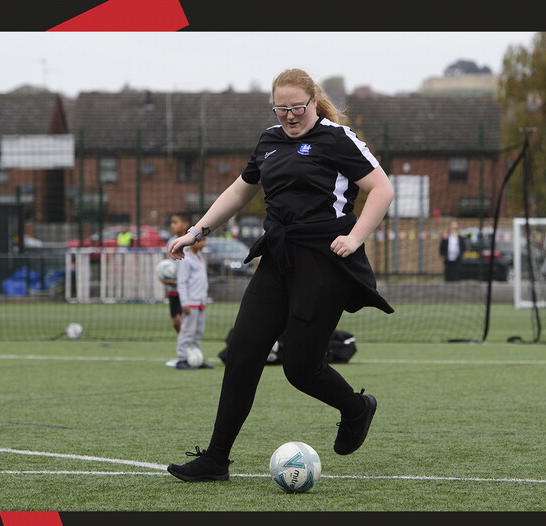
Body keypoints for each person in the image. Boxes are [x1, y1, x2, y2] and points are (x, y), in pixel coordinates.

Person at [164, 68, 394, 482]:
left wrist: (356, 237)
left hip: (324, 263)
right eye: (281, 108)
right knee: (242, 352)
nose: (289, 116)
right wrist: (195, 232)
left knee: (300, 367)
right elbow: (240, 190)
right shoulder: (269, 140)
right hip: (277, 258)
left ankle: (356, 408)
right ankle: (216, 459)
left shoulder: (338, 139)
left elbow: (382, 189)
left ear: (313, 102)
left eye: (297, 108)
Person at [166, 232, 214, 370]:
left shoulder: (200, 257)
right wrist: (185, 303)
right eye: (202, 240)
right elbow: (182, 282)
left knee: (198, 332)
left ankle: (196, 358)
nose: (204, 243)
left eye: (205, 240)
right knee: (187, 331)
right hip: (190, 302)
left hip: (200, 302)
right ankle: (181, 359)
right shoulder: (186, 259)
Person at [162, 212, 191, 335]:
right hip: (173, 288)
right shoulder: (170, 242)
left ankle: (187, 344)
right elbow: (168, 266)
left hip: (186, 289)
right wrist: (165, 276)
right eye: (171, 223)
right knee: (175, 322)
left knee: (183, 319)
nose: (172, 225)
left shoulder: (191, 242)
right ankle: (184, 341)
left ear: (185, 224)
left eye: (175, 222)